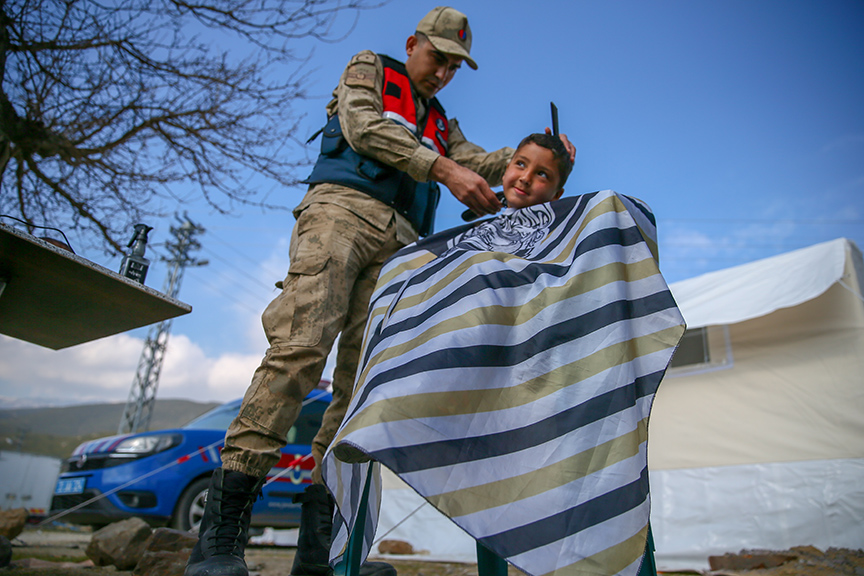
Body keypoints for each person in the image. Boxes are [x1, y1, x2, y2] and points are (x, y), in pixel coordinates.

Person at [184, 7, 572, 576]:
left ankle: (323, 555)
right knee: (299, 350)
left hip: (402, 248)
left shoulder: (443, 123)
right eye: (437, 58)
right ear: (414, 44)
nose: (442, 73)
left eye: (454, 67)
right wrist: (441, 170)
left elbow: (486, 164)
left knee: (359, 389)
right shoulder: (368, 69)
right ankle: (218, 542)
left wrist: (543, 159)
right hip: (340, 215)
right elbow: (363, 126)